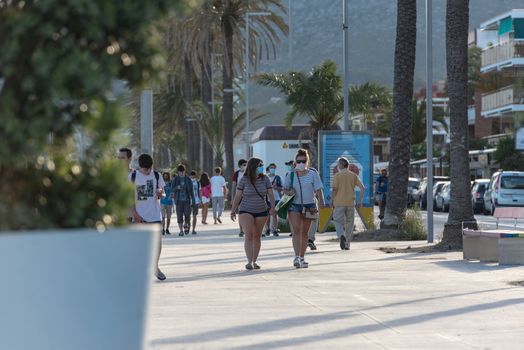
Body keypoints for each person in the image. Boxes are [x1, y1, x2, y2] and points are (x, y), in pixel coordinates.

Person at [231, 158, 276, 270]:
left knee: (257, 236)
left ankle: (255, 261)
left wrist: (273, 208)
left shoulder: (265, 179)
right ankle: (249, 261)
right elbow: (238, 196)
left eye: (262, 165)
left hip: (261, 210)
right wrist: (233, 210)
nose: (261, 167)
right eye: (260, 165)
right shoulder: (244, 180)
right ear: (253, 167)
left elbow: (270, 194)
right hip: (246, 209)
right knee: (249, 235)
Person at [283, 149, 325, 268]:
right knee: (296, 231)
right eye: (299, 161)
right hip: (294, 206)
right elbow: (285, 189)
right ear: (295, 162)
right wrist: (288, 191)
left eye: (303, 161)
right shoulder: (290, 174)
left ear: (307, 161)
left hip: (309, 206)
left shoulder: (313, 173)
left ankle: (302, 257)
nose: (301, 163)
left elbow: (318, 189)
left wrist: (321, 201)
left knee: (304, 233)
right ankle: (296, 257)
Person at [129, 154, 166, 281]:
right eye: (145, 170)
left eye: (149, 169)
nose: (148, 172)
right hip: (140, 217)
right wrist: (135, 214)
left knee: (158, 243)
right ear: (140, 167)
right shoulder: (133, 177)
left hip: (155, 215)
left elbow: (163, 192)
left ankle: (155, 266)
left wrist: (161, 193)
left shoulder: (157, 175)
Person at [331, 157, 365, 250]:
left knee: (338, 221)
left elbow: (334, 189)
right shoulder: (353, 175)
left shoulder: (337, 175)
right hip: (350, 202)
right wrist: (359, 201)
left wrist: (331, 201)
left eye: (338, 164)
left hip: (339, 202)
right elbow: (362, 188)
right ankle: (347, 244)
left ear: (341, 165)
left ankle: (341, 235)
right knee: (349, 223)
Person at [171, 164, 195, 236]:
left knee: (188, 215)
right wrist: (176, 188)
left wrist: (193, 200)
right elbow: (172, 189)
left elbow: (191, 191)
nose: (181, 173)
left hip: (187, 200)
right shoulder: (175, 179)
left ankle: (186, 225)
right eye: (180, 172)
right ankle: (181, 230)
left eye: (183, 172)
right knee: (179, 216)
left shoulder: (188, 179)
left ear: (185, 171)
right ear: (178, 172)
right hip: (178, 201)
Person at [264, 163, 282, 237]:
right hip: (267, 199)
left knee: (274, 214)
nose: (272, 169)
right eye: (271, 168)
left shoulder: (278, 178)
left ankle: (274, 229)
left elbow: (281, 188)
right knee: (267, 215)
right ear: (268, 168)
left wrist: (276, 187)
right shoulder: (266, 178)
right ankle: (267, 229)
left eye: (274, 168)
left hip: (276, 198)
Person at [118, 147, 134, 222]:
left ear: (130, 159)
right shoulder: (113, 175)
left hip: (131, 215)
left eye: (122, 158)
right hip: (115, 216)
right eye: (118, 158)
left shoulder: (136, 175)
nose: (120, 160)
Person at [232, 159, 247, 237]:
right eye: (244, 165)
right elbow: (234, 186)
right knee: (241, 213)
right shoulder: (236, 174)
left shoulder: (248, 173)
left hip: (248, 196)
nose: (245, 166)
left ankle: (246, 229)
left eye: (246, 164)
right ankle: (241, 230)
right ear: (240, 166)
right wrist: (232, 198)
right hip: (239, 196)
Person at [189, 170, 202, 235]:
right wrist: (200, 200)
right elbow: (200, 192)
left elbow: (200, 192)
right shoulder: (189, 182)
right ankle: (191, 229)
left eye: (193, 176)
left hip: (194, 201)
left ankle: (193, 229)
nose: (192, 177)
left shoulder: (197, 183)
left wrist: (200, 199)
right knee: (191, 216)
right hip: (191, 201)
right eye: (192, 176)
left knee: (193, 216)